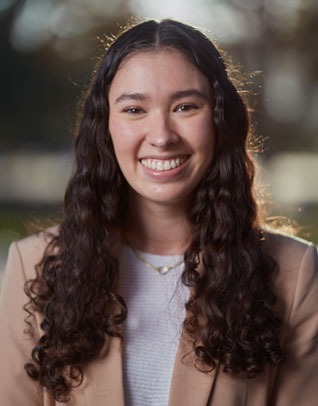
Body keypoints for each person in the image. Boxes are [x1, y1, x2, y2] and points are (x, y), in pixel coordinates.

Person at [0, 18, 317, 406]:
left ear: (220, 119)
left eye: (186, 106)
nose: (163, 136)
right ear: (106, 127)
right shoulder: (30, 264)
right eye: (134, 109)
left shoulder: (295, 272)